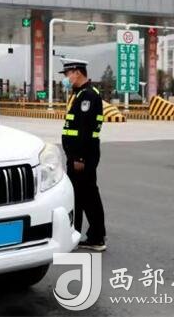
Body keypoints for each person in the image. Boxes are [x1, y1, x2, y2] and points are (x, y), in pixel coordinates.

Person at [60, 58, 106, 251]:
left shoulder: (88, 95)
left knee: (88, 196)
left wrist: (79, 158)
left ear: (77, 72)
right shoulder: (79, 94)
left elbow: (85, 130)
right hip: (77, 154)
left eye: (67, 74)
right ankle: (76, 233)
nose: (66, 78)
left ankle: (96, 237)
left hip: (83, 155)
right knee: (78, 195)